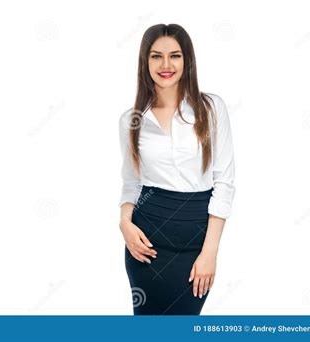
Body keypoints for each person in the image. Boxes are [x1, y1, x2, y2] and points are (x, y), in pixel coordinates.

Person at [118, 23, 236, 315]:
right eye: (156, 56)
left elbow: (224, 183)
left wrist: (210, 252)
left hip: (195, 244)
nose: (166, 64)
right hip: (146, 244)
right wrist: (124, 223)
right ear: (145, 62)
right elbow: (131, 182)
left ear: (188, 61)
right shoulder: (131, 120)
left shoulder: (211, 108)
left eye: (176, 55)